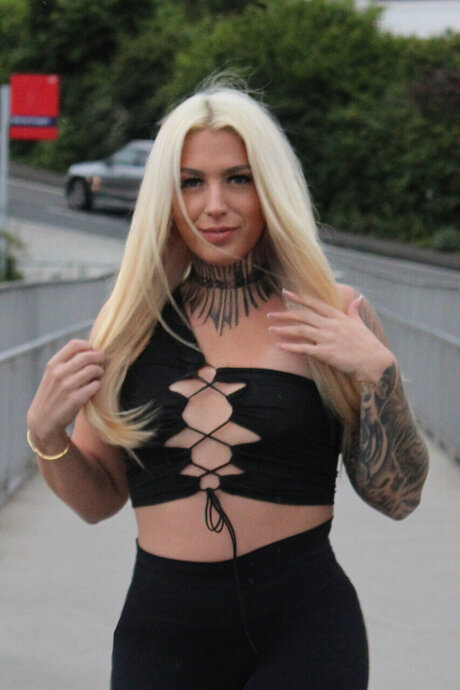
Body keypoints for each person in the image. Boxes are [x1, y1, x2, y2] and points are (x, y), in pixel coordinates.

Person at [27, 80, 429, 689]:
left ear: (270, 188)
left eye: (238, 178)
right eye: (191, 182)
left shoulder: (335, 313)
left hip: (306, 626)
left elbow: (399, 498)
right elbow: (97, 501)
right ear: (166, 197)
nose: (214, 205)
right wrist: (45, 433)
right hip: (163, 632)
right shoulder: (128, 324)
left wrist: (381, 375)